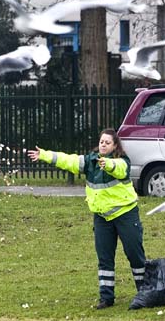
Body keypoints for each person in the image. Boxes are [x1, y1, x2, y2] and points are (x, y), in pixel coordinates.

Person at [27, 129, 146, 309]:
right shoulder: (90, 161)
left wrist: (109, 165)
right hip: (101, 217)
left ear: (115, 146)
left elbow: (120, 169)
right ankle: (106, 298)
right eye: (101, 142)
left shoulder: (122, 161)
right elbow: (68, 160)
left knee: (134, 255)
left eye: (107, 142)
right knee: (104, 258)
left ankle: (145, 292)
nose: (103, 144)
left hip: (125, 214)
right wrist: (44, 155)